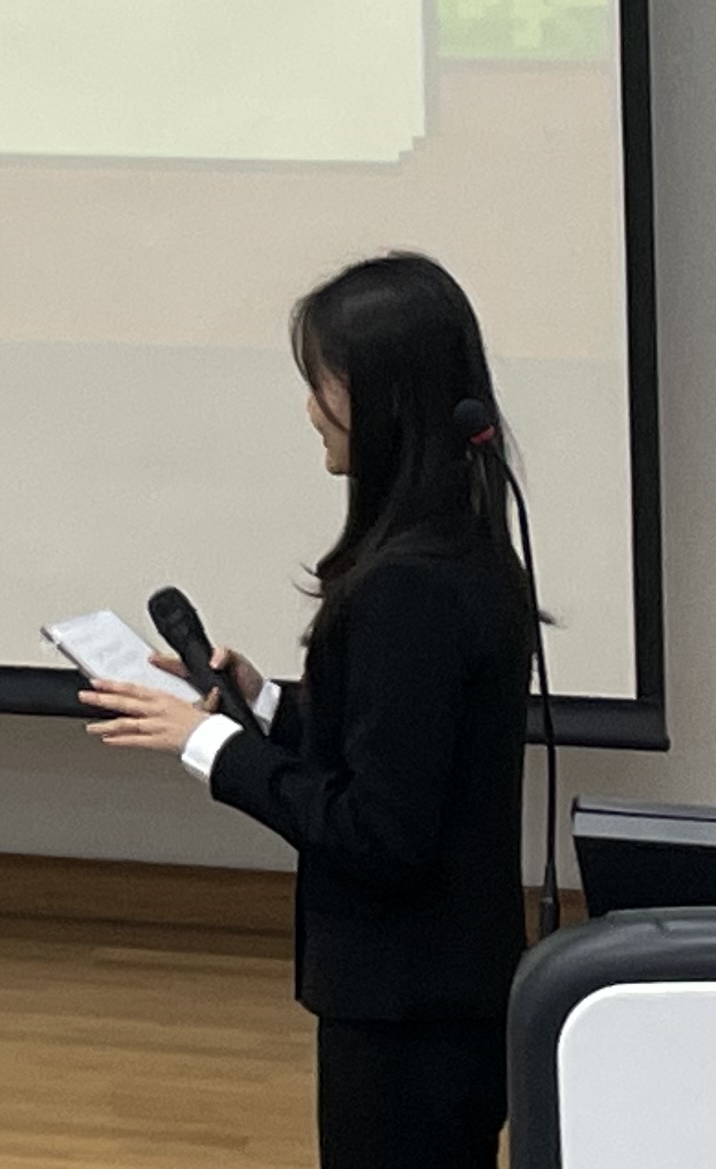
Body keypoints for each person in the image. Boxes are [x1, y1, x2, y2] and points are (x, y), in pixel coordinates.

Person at [83, 251, 534, 1169]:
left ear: (384, 398)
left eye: (323, 383)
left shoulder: (407, 588)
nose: (311, 410)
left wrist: (212, 744)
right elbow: (403, 746)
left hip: (406, 1012)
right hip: (447, 997)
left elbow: (379, 831)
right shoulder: (461, 553)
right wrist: (263, 703)